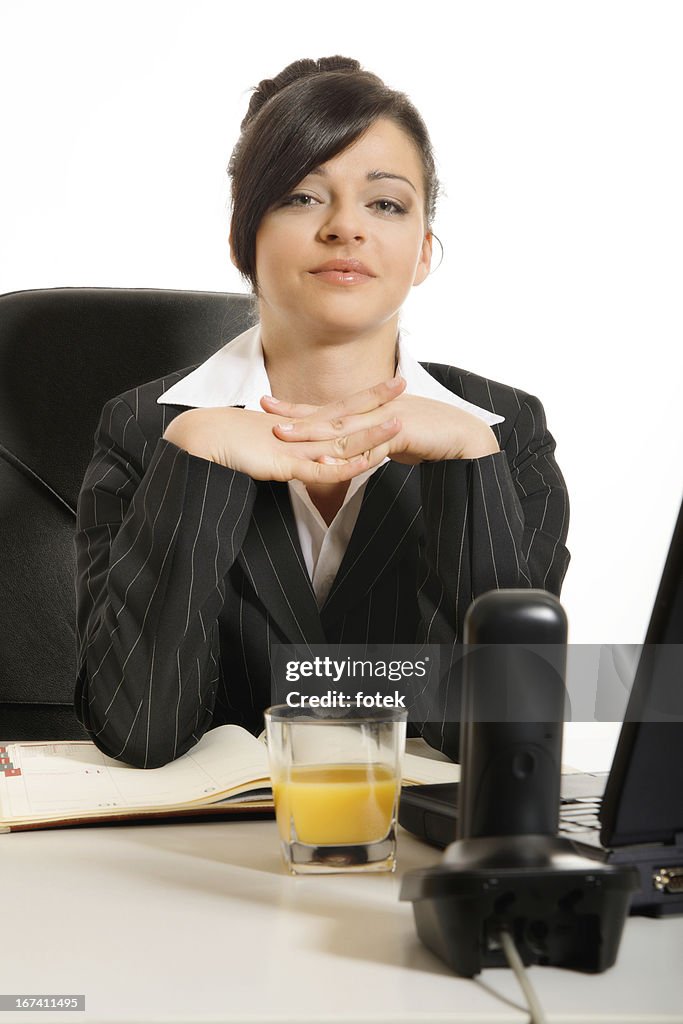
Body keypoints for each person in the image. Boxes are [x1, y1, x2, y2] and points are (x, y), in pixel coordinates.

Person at [74, 56, 570, 769]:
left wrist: (470, 465)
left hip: (408, 851)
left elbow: (499, 733)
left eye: (386, 204)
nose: (345, 227)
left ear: (424, 250)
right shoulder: (147, 429)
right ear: (243, 240)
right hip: (195, 859)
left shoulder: (502, 432)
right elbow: (141, 730)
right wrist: (196, 459)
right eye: (302, 198)